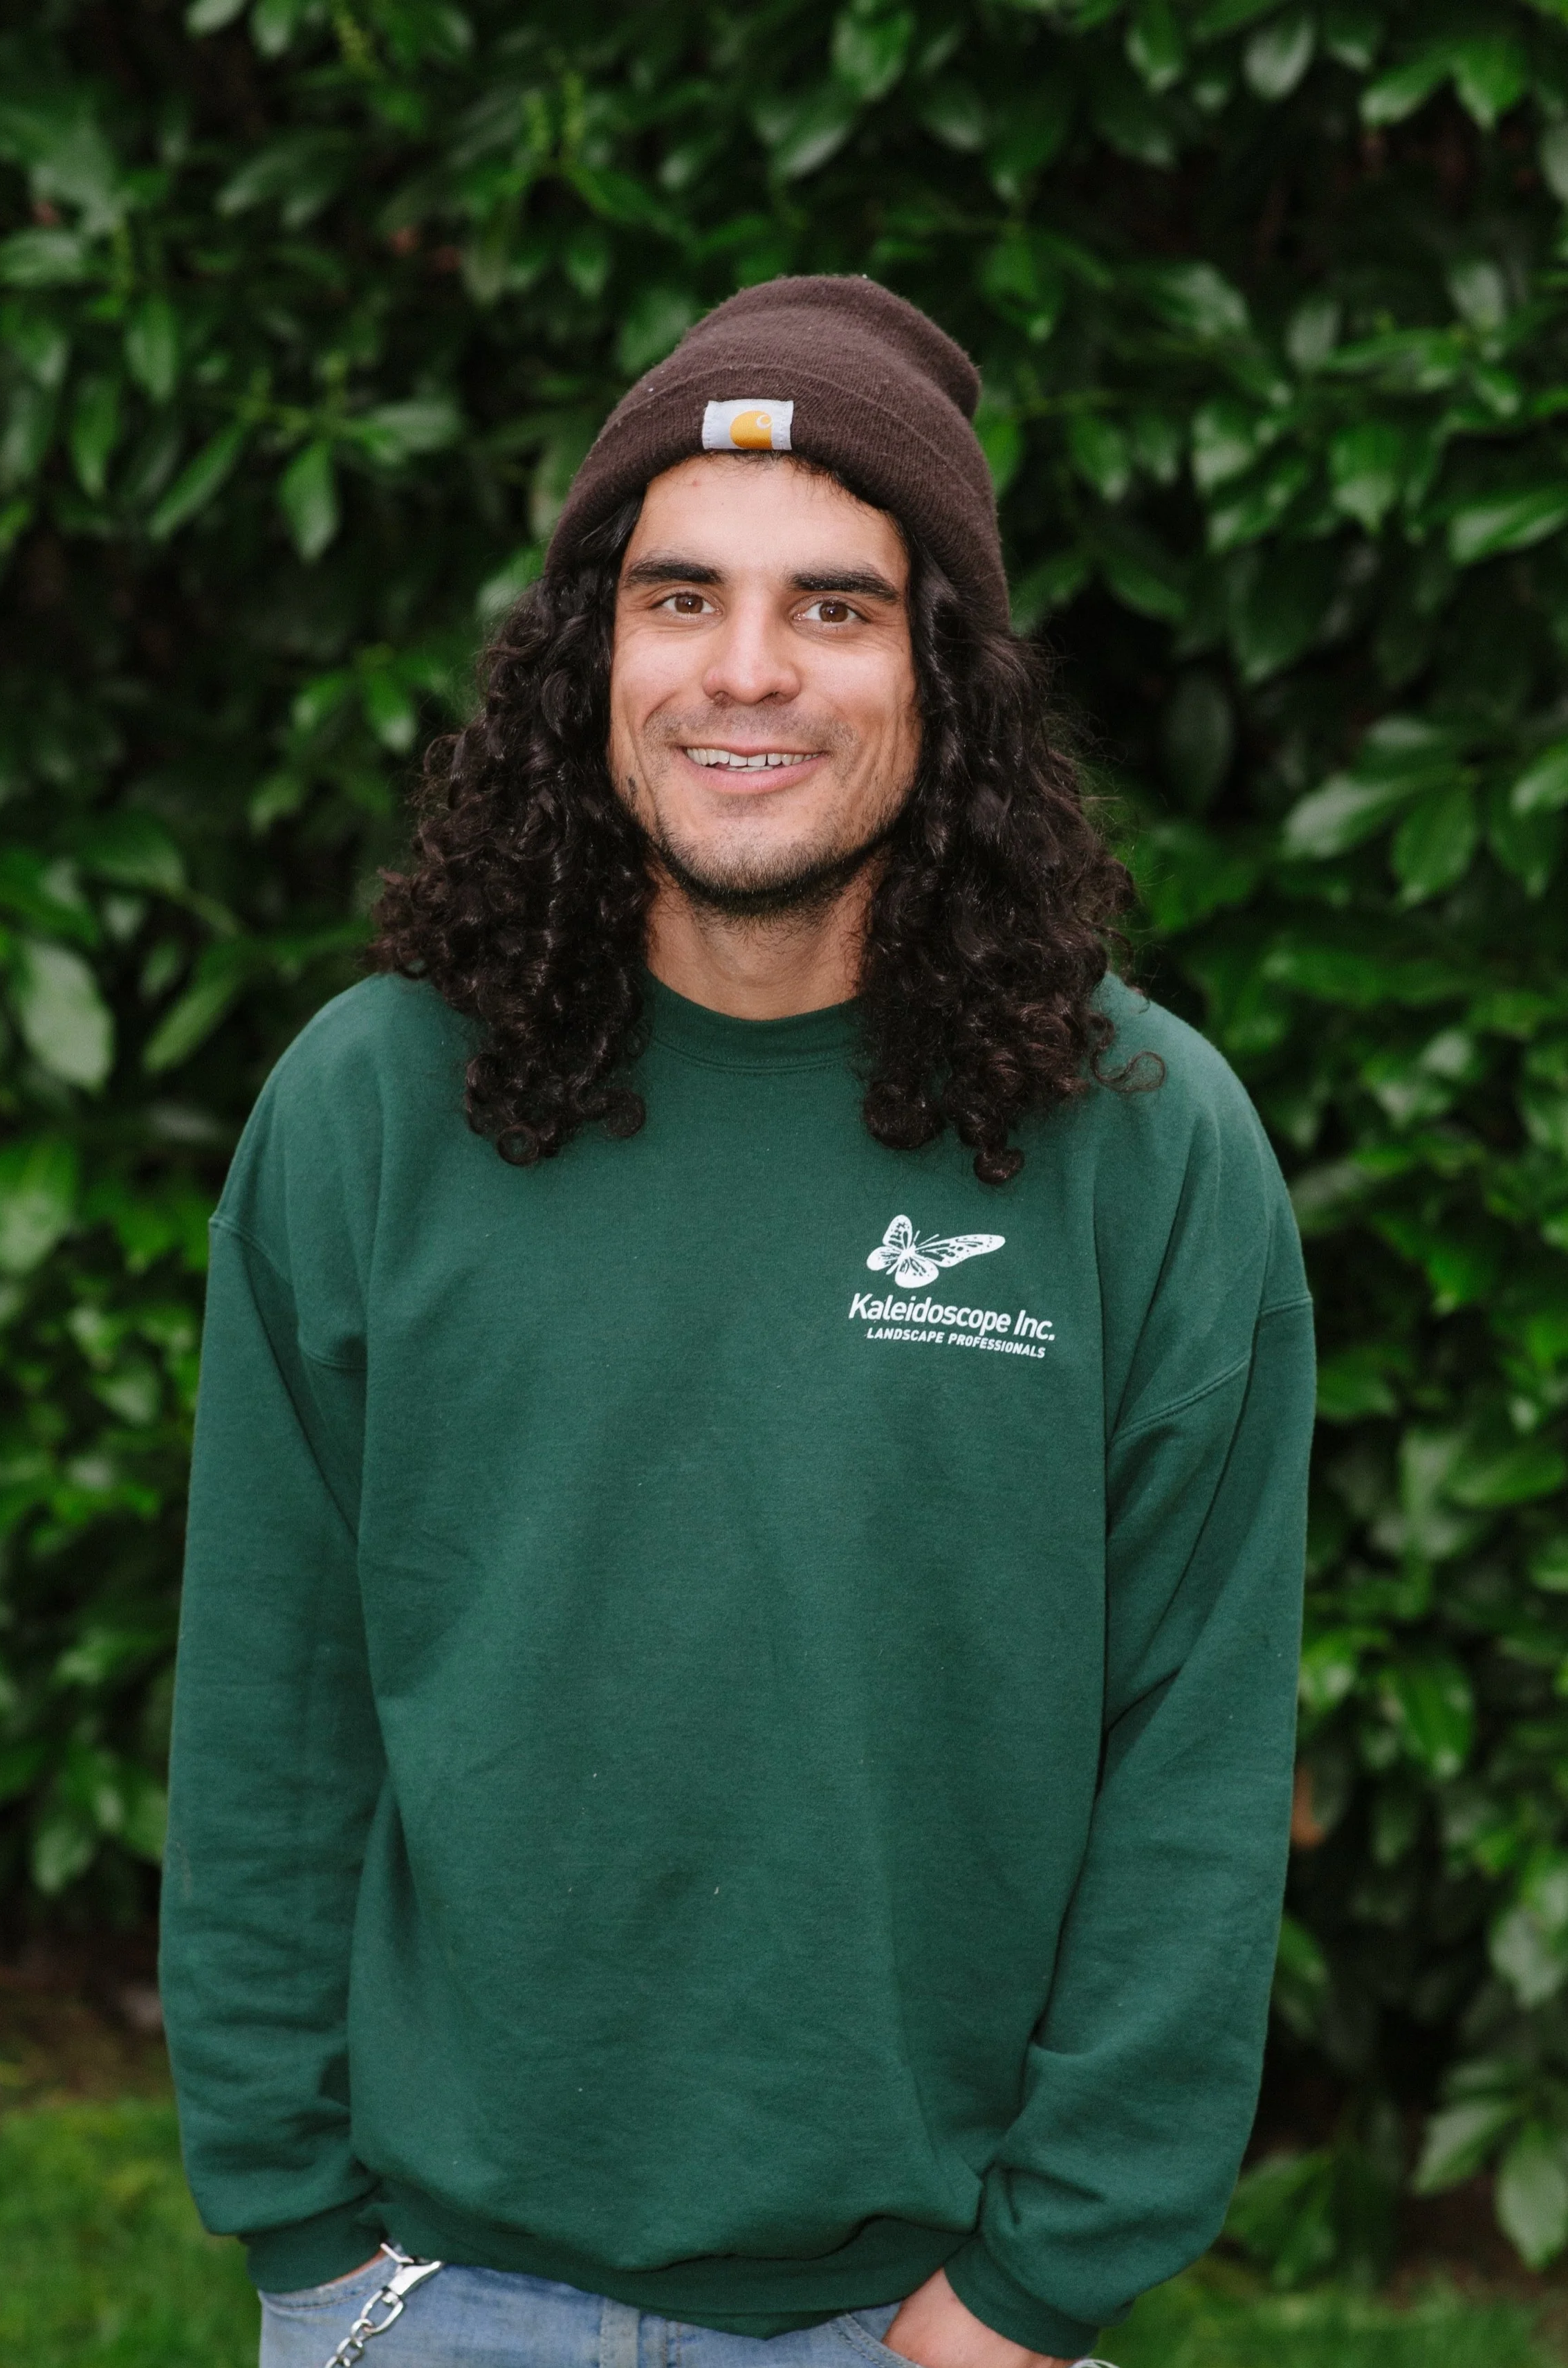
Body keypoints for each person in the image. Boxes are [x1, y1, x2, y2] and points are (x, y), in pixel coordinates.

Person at [161, 276, 1315, 2368]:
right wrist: (302, 2232)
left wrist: (1037, 2283)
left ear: (944, 674)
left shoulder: (1137, 1151)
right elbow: (275, 1705)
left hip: (914, 2318)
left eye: (836, 607)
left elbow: (1193, 1769)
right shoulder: (375, 1106)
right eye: (677, 596)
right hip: (428, 2293)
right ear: (587, 652)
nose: (746, 672)